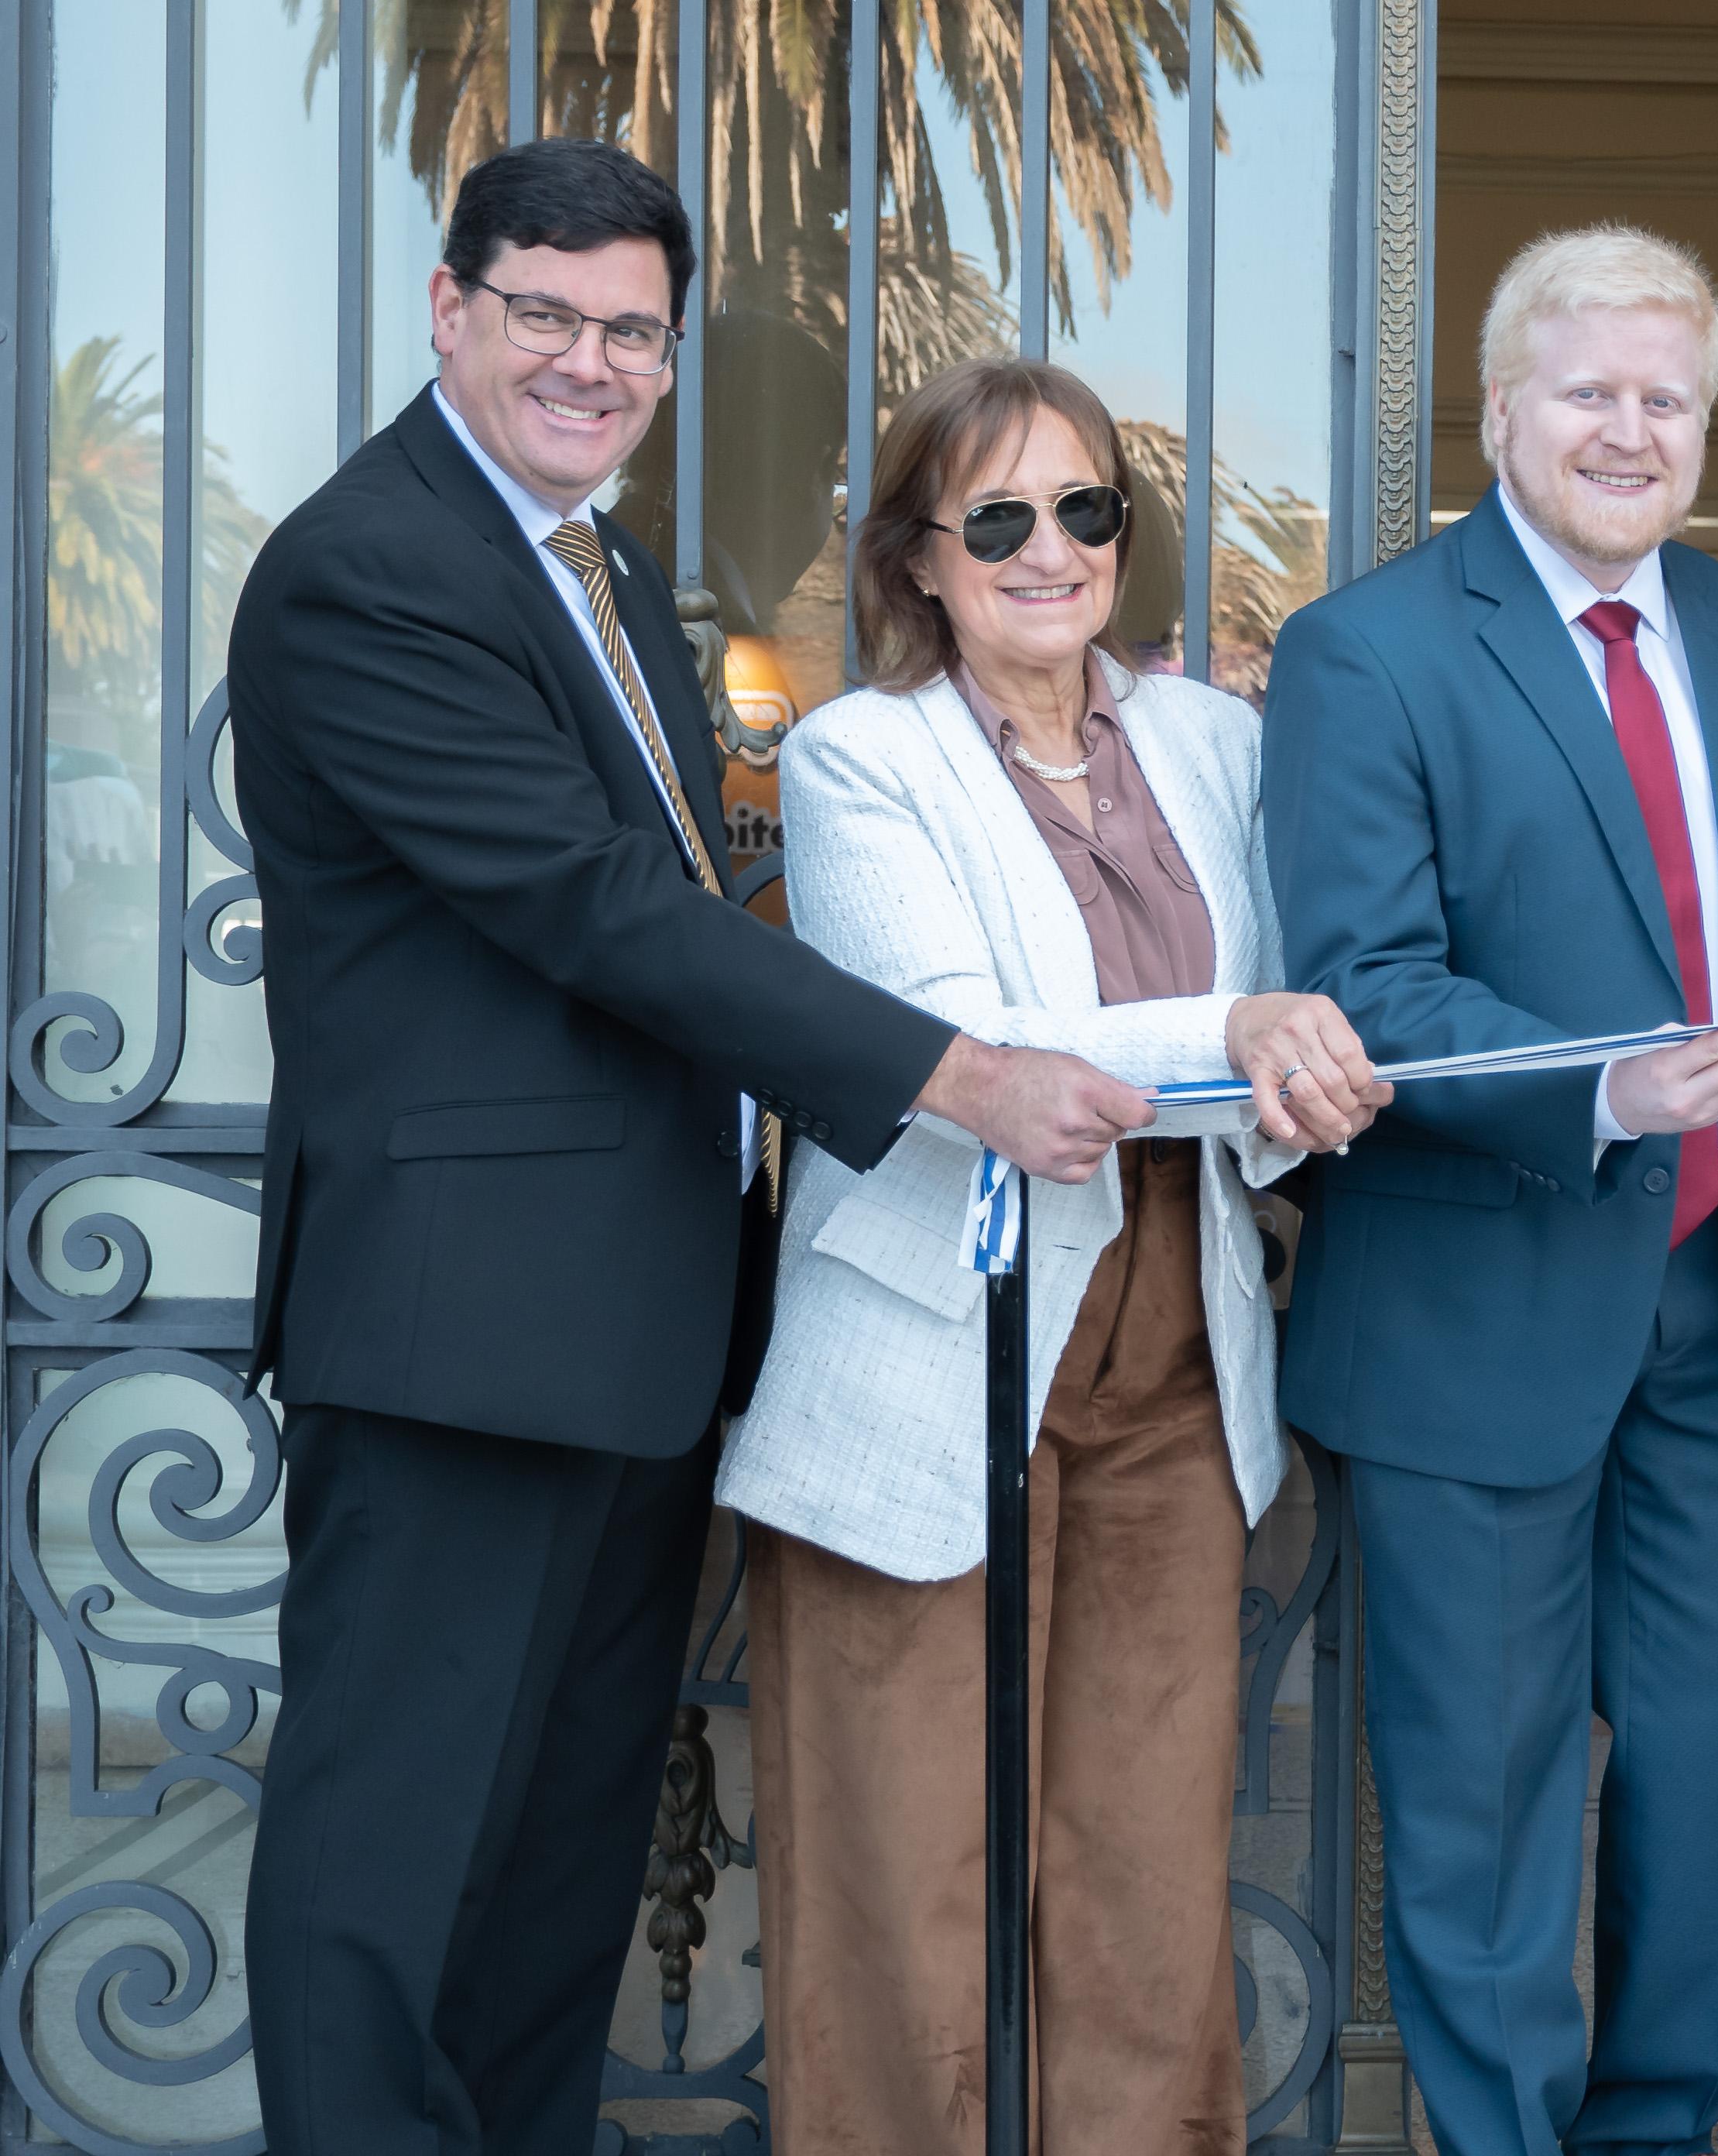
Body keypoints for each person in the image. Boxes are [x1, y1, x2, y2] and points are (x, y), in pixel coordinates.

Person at [225, 139, 1140, 2156]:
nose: (590, 362)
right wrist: (954, 1074)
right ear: (450, 309)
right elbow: (594, 910)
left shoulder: (606, 568)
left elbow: (685, 908)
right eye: (543, 315)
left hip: (635, 1334)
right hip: (461, 1341)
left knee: (554, 1872)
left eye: (632, 331)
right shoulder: (371, 566)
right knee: (390, 1877)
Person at [714, 357, 1388, 2154]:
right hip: (930, 1358)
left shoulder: (1218, 745)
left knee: (1147, 1877)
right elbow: (966, 1045)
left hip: (1176, 1355)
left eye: (1083, 509)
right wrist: (1247, 1025)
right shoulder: (861, 757)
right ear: (918, 560)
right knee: (902, 1882)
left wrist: (1293, 1075)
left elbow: (1290, 1028)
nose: (1047, 550)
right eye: (994, 518)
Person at [1262, 223, 1718, 2156]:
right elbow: (1369, 977)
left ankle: (1657, 2130)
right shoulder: (1370, 649)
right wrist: (1604, 1083)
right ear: (1501, 411)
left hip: (1717, 1317)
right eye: (1588, 391)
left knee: (1707, 1794)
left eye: (1665, 398)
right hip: (1476, 1313)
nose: (1629, 429)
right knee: (1485, 1813)